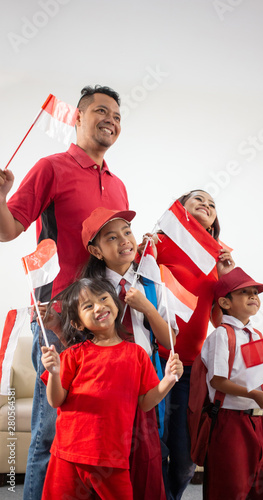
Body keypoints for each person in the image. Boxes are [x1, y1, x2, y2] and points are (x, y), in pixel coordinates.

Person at [0, 85, 129, 500]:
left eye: (117, 115)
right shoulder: (51, 167)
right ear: (77, 118)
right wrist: (1, 196)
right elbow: (8, 230)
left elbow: (117, 254)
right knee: (52, 427)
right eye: (100, 111)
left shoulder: (119, 184)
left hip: (106, 318)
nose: (111, 119)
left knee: (94, 427)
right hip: (58, 317)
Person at [40, 277, 183, 500]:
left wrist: (168, 380)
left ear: (117, 304)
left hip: (113, 458)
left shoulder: (137, 354)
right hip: (67, 453)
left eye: (104, 298)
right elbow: (55, 401)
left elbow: (146, 403)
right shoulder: (72, 355)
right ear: (78, 323)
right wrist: (55, 373)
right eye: (88, 306)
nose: (99, 307)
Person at [80, 206, 179, 499]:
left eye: (127, 233)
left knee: (148, 444)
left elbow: (168, 340)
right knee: (111, 446)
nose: (124, 240)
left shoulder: (153, 284)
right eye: (111, 238)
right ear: (96, 252)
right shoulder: (91, 291)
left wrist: (146, 307)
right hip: (107, 376)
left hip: (147, 371)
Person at [151, 189, 235, 499]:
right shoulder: (159, 243)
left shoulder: (216, 256)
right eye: (198, 199)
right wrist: (144, 252)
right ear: (180, 209)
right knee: (154, 446)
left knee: (186, 458)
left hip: (190, 368)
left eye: (212, 204)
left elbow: (218, 318)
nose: (206, 205)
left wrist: (226, 274)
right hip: (154, 362)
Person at [201, 267, 263, 499]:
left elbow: (260, 378)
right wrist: (254, 395)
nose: (253, 297)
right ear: (225, 303)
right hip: (230, 422)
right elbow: (218, 381)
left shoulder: (255, 335)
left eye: (255, 293)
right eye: (244, 292)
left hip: (259, 422)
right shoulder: (221, 335)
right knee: (231, 487)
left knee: (261, 487)